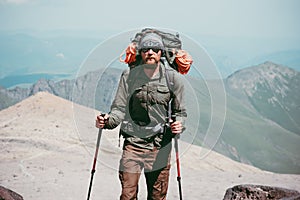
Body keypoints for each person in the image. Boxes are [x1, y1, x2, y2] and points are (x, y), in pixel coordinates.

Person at [95, 31, 187, 200]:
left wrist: (178, 125)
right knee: (127, 195)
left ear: (161, 53)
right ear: (140, 53)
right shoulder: (129, 76)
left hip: (160, 146)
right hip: (133, 144)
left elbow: (179, 112)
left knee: (157, 197)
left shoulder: (173, 79)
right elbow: (119, 109)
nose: (150, 52)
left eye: (154, 49)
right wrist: (107, 121)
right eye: (145, 49)